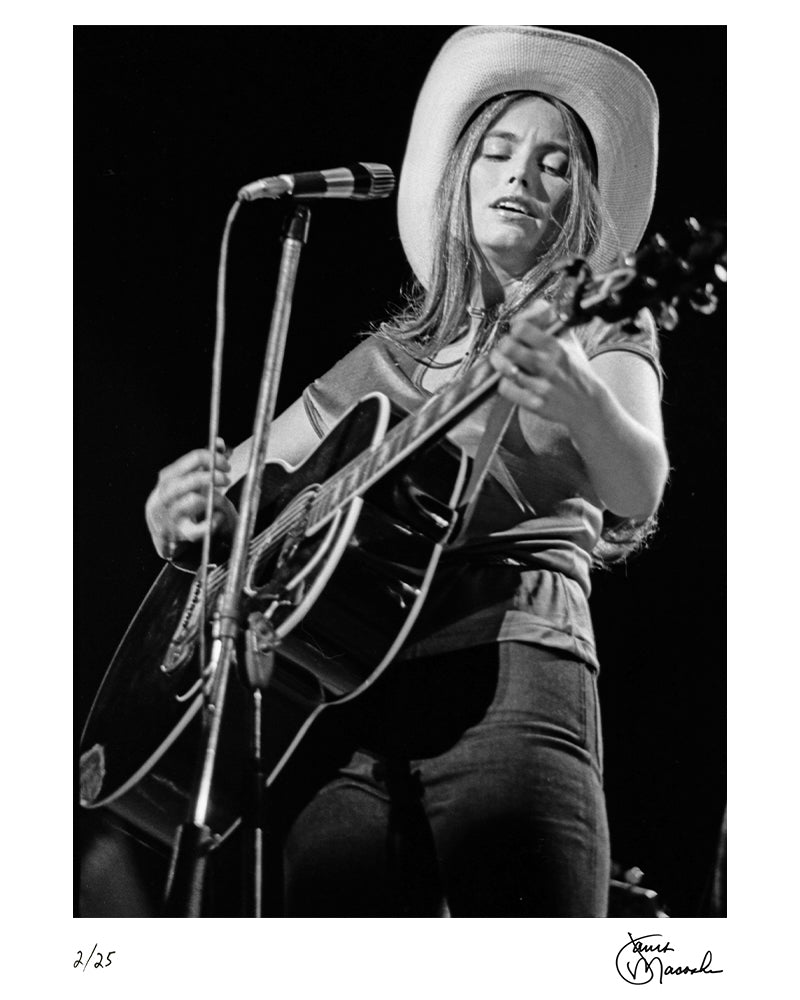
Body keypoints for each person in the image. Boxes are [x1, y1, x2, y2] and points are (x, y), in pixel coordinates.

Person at [144, 25, 668, 916]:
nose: (520, 175)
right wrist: (180, 510)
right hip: (343, 691)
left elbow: (638, 488)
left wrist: (581, 398)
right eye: (498, 152)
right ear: (458, 176)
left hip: (515, 660)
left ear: (579, 200)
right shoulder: (392, 353)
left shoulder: (596, 322)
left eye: (553, 163)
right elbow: (245, 477)